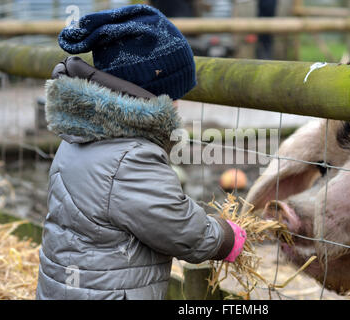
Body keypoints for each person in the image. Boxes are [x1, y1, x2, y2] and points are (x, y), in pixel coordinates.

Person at [36, 4, 246, 300]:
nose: (177, 106)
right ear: (148, 94)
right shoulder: (131, 157)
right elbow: (177, 227)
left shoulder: (79, 136)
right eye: (173, 96)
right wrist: (225, 237)